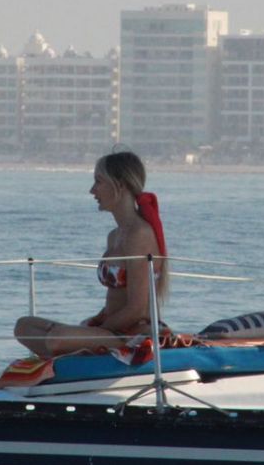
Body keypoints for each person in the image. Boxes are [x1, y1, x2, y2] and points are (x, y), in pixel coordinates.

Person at [14, 151, 169, 358]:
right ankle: (76, 351)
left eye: (98, 181)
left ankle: (76, 352)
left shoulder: (139, 234)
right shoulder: (114, 236)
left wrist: (98, 329)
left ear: (120, 185)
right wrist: (96, 323)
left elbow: (138, 309)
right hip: (110, 328)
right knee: (24, 327)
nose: (92, 190)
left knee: (56, 338)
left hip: (133, 334)